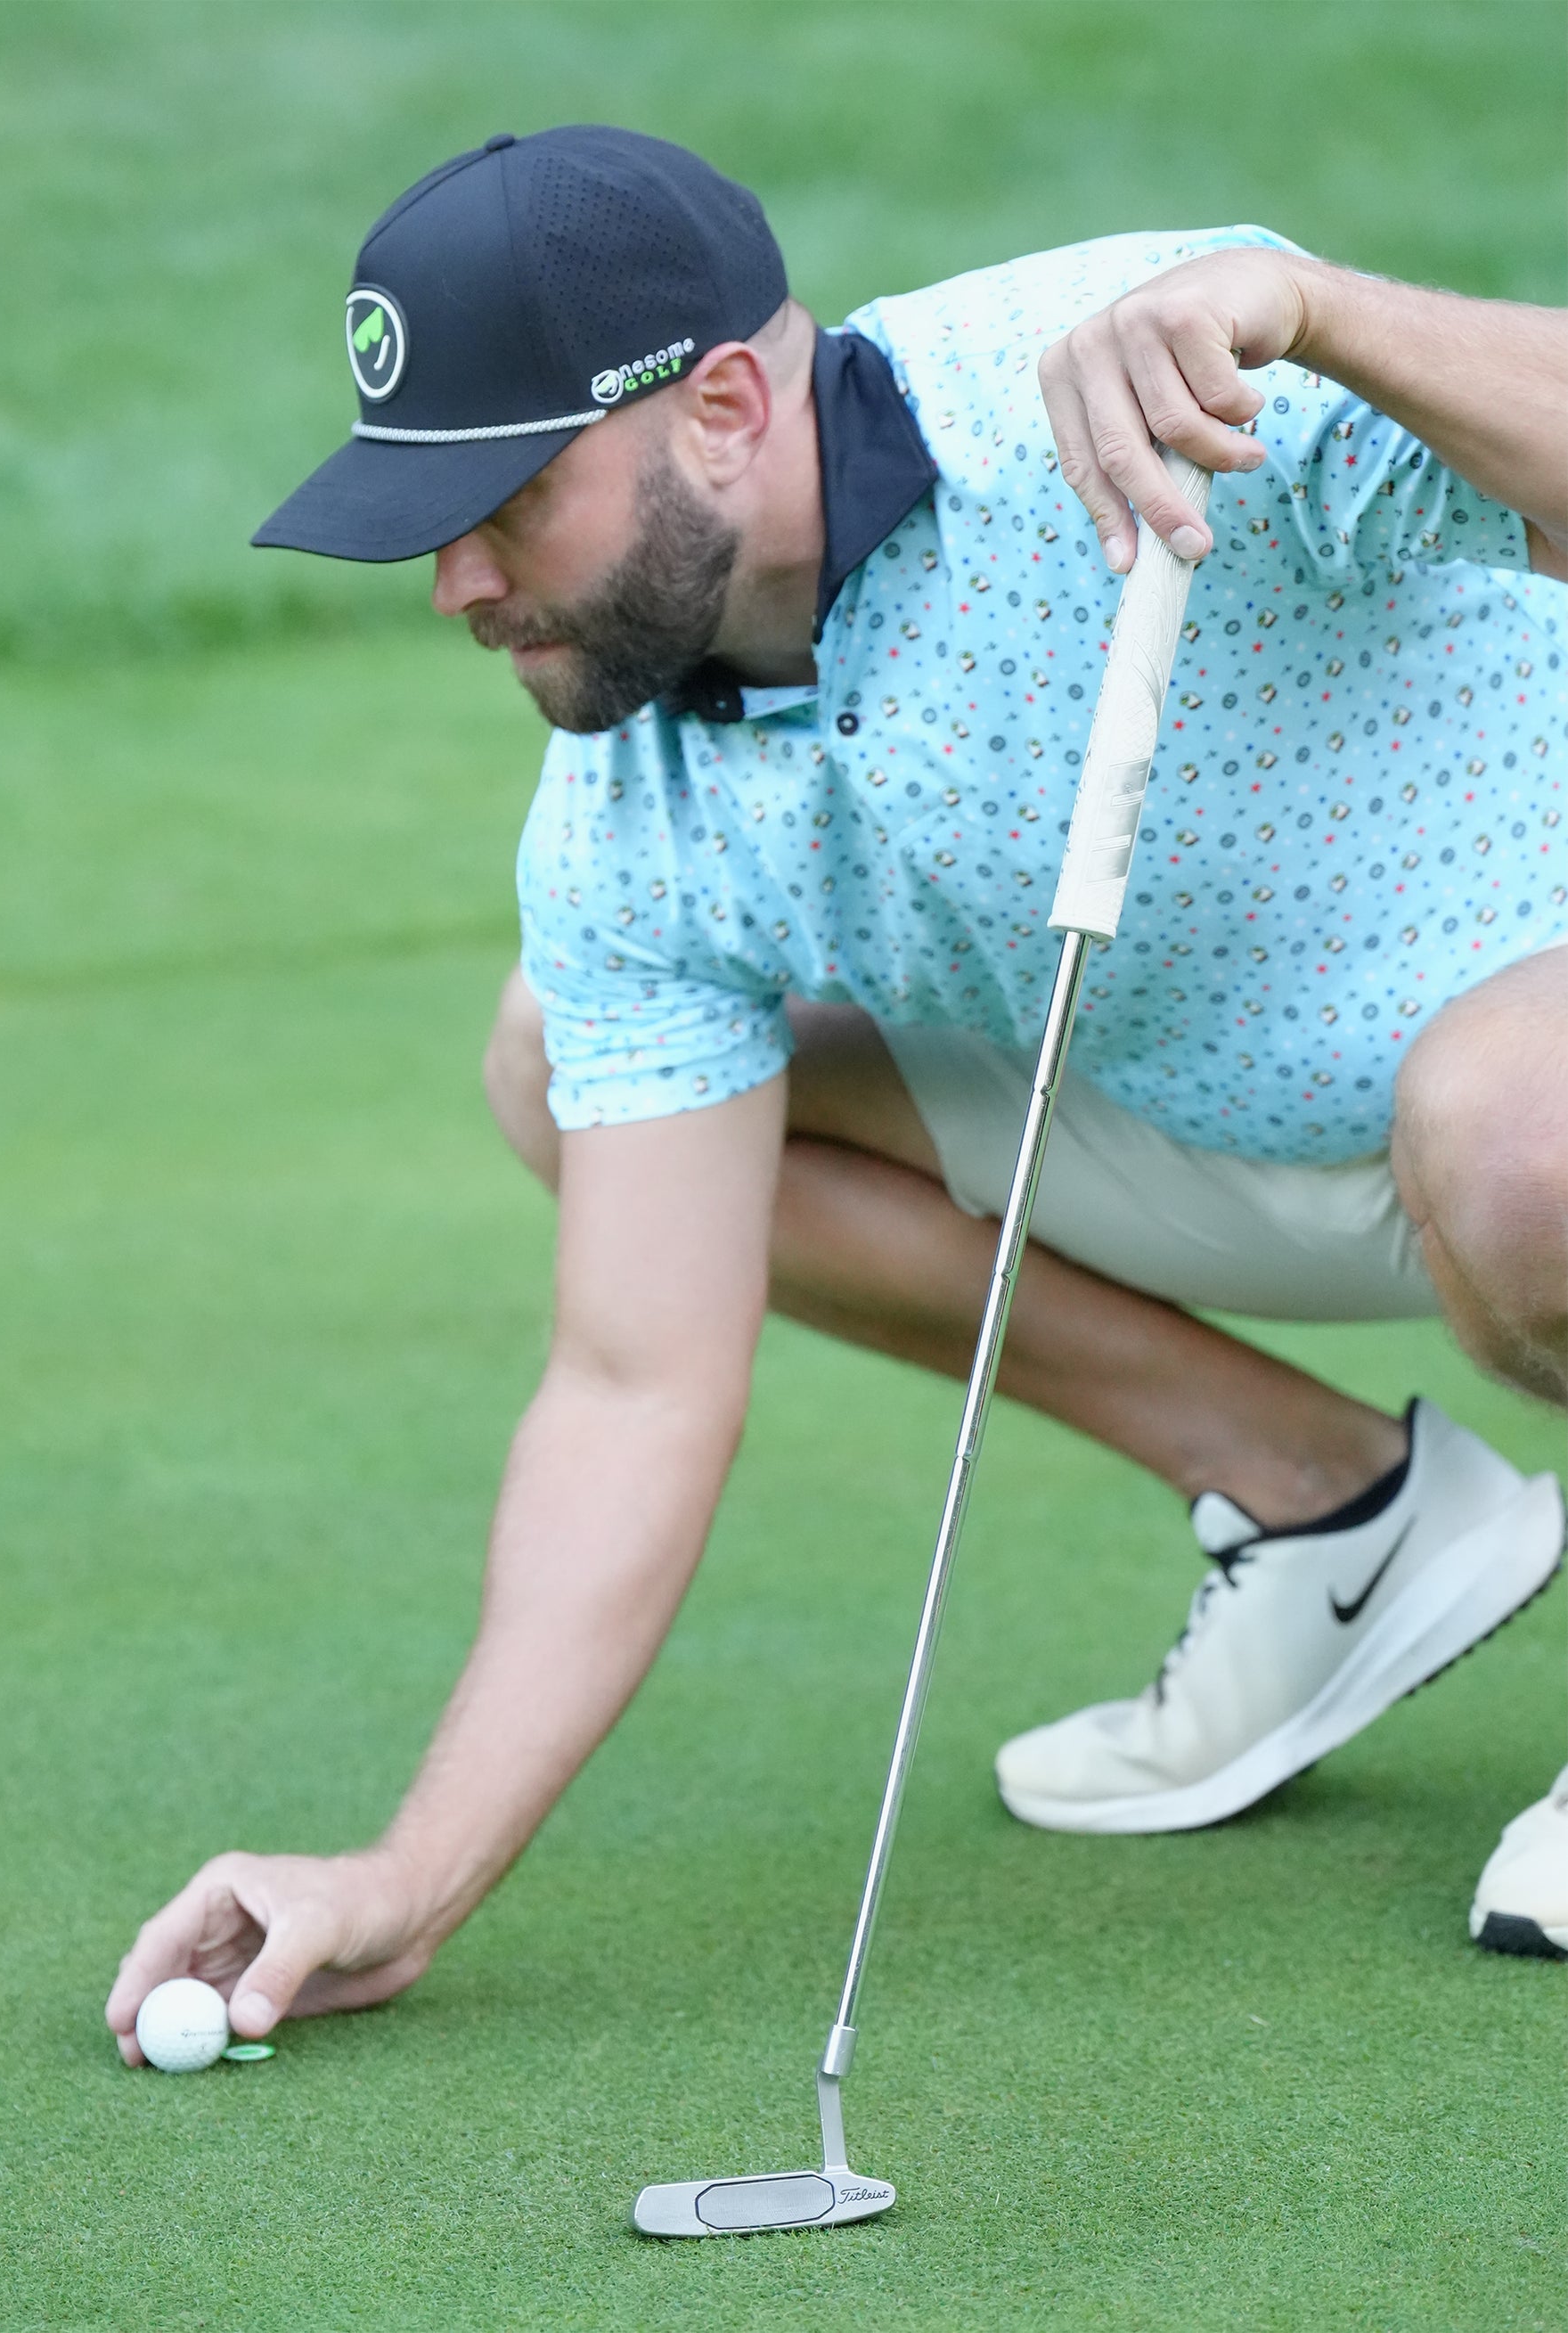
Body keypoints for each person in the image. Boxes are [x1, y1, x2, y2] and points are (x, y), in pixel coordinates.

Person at [107, 127, 1568, 2061]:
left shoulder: (1131, 386)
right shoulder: (631, 805)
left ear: (720, 406)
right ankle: (1340, 1514)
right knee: (564, 1066)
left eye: (510, 501)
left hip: (1518, 1077)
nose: (455, 583)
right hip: (1229, 1111)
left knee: (1514, 1132)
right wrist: (407, 1872)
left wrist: (1324, 316)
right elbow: (635, 1378)